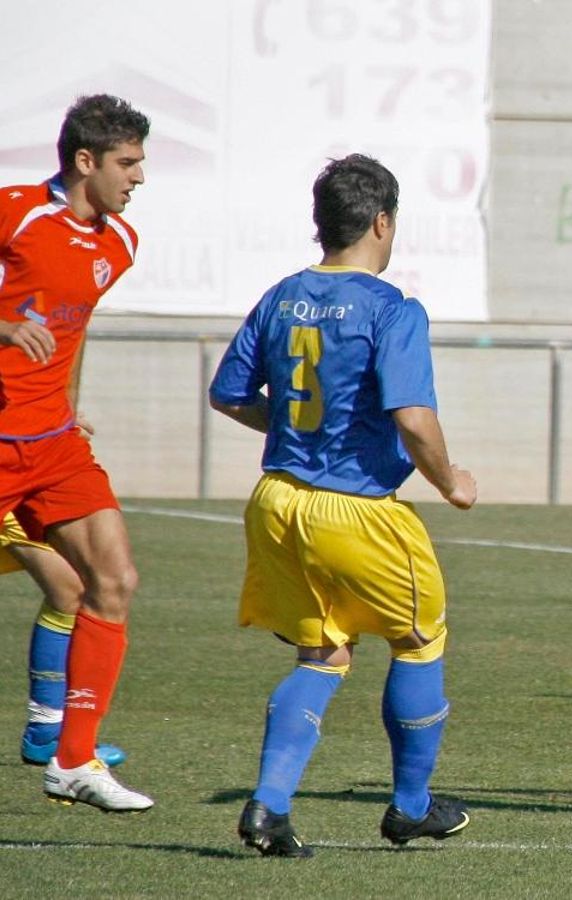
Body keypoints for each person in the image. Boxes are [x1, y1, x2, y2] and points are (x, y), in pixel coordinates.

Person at [209, 154, 478, 857]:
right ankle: (410, 807)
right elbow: (413, 417)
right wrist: (450, 481)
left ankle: (269, 807)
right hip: (355, 509)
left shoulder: (281, 296)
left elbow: (230, 394)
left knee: (323, 654)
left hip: (277, 502)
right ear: (382, 221)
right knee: (419, 641)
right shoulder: (391, 308)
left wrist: (296, 429)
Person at [0, 94, 152, 812]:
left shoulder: (119, 243)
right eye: (128, 162)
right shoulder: (16, 212)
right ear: (85, 161)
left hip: (51, 443)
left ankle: (71, 759)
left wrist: (67, 401)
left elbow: (72, 329)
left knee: (112, 580)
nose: (139, 177)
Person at [6, 514, 126, 767]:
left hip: (26, 498)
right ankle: (46, 732)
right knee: (69, 592)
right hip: (10, 496)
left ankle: (46, 731)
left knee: (71, 594)